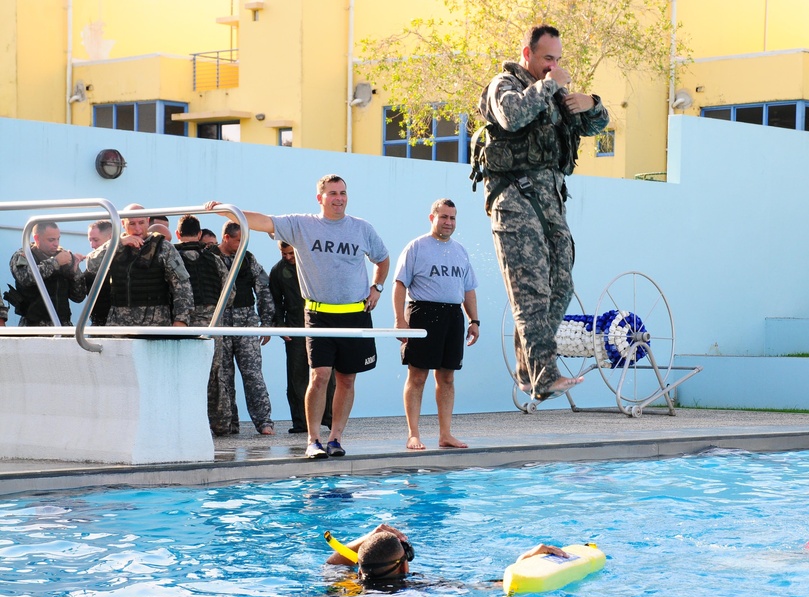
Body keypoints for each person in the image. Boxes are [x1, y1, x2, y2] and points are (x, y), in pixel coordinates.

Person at [205, 174, 390, 459]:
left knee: (347, 379)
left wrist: (377, 287)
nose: (338, 198)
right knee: (319, 376)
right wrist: (228, 211)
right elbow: (263, 221)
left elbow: (382, 258)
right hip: (318, 314)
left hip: (355, 314)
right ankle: (313, 439)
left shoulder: (362, 228)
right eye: (332, 193)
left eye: (342, 192)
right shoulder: (301, 225)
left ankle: (336, 437)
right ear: (320, 198)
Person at [474, 24, 609, 401]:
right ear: (527, 53)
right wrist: (550, 85)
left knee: (561, 287)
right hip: (514, 201)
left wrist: (592, 104)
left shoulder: (553, 94)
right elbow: (512, 117)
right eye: (547, 58)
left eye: (558, 60)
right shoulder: (503, 85)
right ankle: (545, 374)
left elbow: (596, 125)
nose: (554, 66)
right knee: (530, 291)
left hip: (551, 204)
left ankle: (527, 370)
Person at [393, 198, 479, 451]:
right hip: (423, 313)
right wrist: (400, 320)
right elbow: (399, 285)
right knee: (417, 376)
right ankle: (413, 434)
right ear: (432, 218)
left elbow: (469, 289)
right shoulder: (416, 247)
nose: (448, 222)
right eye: (443, 217)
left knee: (447, 378)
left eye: (452, 218)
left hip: (453, 316)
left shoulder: (460, 250)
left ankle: (445, 434)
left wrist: (474, 320)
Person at [325, 523, 567, 586]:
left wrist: (370, 536)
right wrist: (523, 562)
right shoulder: (419, 588)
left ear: (359, 568)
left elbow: (331, 562)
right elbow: (499, 587)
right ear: (403, 567)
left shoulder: (347, 586)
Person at [207, 220, 275, 436]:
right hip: (219, 324)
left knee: (253, 374)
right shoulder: (209, 257)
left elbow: (263, 289)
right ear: (226, 237)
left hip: (246, 322)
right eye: (238, 240)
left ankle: (264, 422)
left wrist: (267, 323)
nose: (242, 244)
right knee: (223, 376)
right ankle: (228, 424)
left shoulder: (248, 258)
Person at [85, 203, 194, 327]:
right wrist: (118, 244)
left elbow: (182, 286)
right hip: (119, 324)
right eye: (132, 223)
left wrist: (181, 320)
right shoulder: (115, 246)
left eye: (141, 223)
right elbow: (91, 265)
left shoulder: (164, 248)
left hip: (155, 324)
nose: (137, 229)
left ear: (148, 222)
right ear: (123, 224)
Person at [269, 240, 334, 434]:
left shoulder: (314, 264)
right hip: (295, 328)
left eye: (291, 253)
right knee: (297, 377)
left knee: (327, 375)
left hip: (320, 326)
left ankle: (329, 417)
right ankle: (301, 422)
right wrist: (281, 326)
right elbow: (275, 302)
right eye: (284, 254)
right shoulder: (277, 271)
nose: (288, 257)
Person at [5, 221, 87, 326]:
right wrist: (55, 262)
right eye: (51, 240)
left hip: (62, 325)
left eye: (58, 239)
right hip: (34, 326)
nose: (56, 243)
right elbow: (25, 278)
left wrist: (75, 271)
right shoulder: (25, 255)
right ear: (37, 238)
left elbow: (78, 297)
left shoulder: (63, 256)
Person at [174, 214, 230, 327]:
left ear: (177, 234)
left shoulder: (171, 259)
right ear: (199, 234)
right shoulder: (215, 259)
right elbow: (230, 292)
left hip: (182, 322)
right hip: (212, 322)